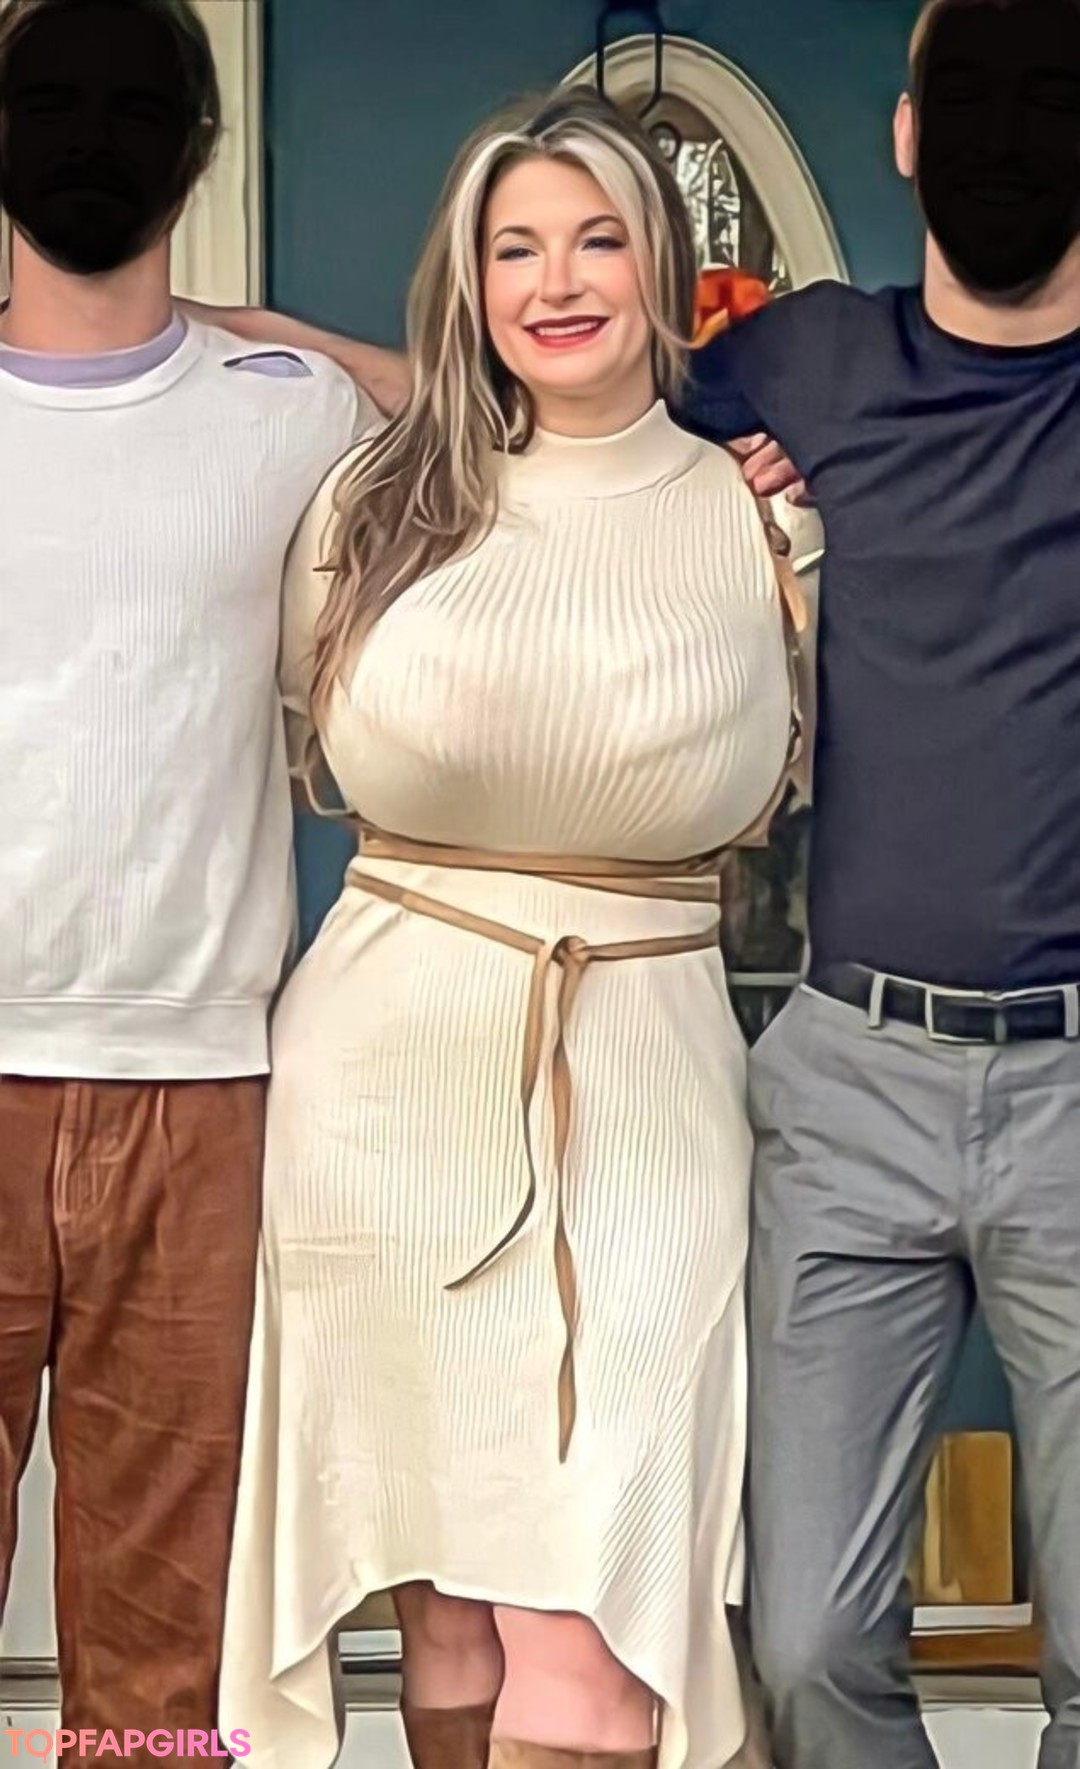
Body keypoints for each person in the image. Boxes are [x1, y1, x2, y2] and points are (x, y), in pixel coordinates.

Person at [215, 86, 803, 1769]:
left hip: (648, 1072)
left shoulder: (764, 513)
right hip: (384, 1079)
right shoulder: (377, 503)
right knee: (450, 1607)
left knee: (602, 1625)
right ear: (467, 283)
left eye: (598, 238)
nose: (557, 282)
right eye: (514, 247)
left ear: (663, 264)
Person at [676, 1, 1080, 1765]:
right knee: (810, 1640)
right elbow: (540, 403)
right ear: (910, 134)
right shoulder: (804, 363)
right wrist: (230, 344)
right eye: (970, 101)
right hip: (851, 1082)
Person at [0, 0, 393, 1759]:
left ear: (196, 152)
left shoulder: (283, 412)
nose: (91, 137)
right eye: (51, 103)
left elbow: (512, 409)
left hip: (203, 1094)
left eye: (131, 107)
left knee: (160, 1679)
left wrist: (272, 332)